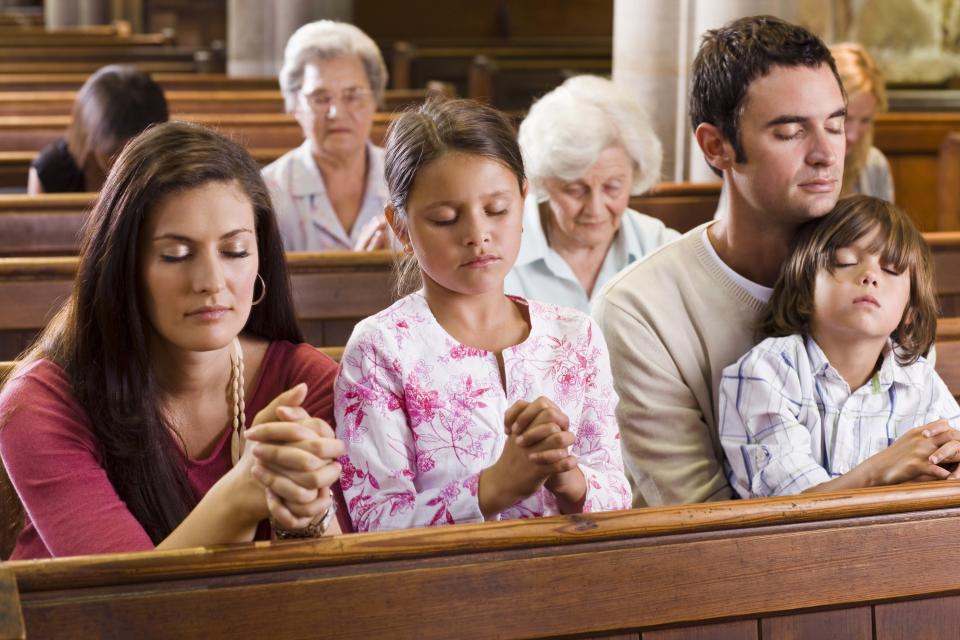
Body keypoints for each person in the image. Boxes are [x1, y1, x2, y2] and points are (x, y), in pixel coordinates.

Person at [0, 122, 346, 559]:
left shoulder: (308, 384)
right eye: (176, 255)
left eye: (235, 251)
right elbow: (125, 606)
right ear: (124, 267)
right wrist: (242, 494)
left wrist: (306, 517)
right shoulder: (39, 404)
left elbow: (340, 592)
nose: (211, 282)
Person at [334, 99, 630, 531]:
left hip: (569, 579)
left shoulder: (575, 335)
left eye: (496, 210)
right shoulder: (381, 349)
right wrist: (495, 487)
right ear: (400, 225)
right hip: (444, 590)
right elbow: (375, 520)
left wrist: (569, 478)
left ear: (523, 199)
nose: (477, 235)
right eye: (445, 218)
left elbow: (617, 493)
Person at [593, 15, 846, 507]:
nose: (825, 154)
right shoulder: (637, 311)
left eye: (834, 126)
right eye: (791, 132)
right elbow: (705, 523)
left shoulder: (875, 272)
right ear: (717, 146)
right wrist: (875, 480)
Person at [719, 195, 960, 497]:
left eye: (892, 270)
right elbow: (785, 514)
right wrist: (878, 472)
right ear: (805, 283)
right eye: (845, 261)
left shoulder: (920, 380)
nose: (870, 276)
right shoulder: (765, 373)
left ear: (910, 310)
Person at [504, 75, 679, 313]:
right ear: (543, 180)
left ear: (635, 174)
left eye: (612, 187)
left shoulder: (661, 248)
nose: (595, 209)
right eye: (575, 190)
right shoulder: (500, 252)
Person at [263, 20, 392, 252]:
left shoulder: (408, 179)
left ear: (374, 100)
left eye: (352, 96)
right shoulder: (268, 192)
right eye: (321, 98)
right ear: (295, 106)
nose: (336, 113)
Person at [28, 64, 169, 194]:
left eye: (139, 151)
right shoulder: (50, 170)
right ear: (90, 135)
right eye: (113, 152)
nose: (125, 161)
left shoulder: (168, 167)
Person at [832, 43, 893, 201]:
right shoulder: (796, 164)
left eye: (865, 120)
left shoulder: (874, 165)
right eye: (845, 118)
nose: (852, 135)